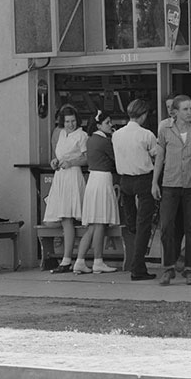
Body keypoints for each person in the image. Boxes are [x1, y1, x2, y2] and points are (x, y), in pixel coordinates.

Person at [152, 95, 191, 286]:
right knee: (167, 227)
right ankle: (169, 267)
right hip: (170, 184)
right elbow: (160, 157)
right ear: (176, 112)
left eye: (190, 109)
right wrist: (154, 182)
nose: (189, 112)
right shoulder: (165, 130)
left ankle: (190, 269)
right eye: (185, 109)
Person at [112, 99, 158, 281]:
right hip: (143, 179)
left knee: (132, 224)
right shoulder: (147, 135)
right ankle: (138, 266)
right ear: (144, 114)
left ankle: (134, 260)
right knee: (144, 224)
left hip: (125, 181)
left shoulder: (117, 135)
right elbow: (157, 157)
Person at [72, 111, 118, 275]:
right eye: (107, 122)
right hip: (102, 180)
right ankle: (98, 261)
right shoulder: (104, 141)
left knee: (92, 225)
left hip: (93, 180)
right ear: (98, 125)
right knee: (99, 223)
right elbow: (116, 158)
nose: (110, 124)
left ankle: (79, 260)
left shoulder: (91, 140)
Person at [44, 105, 87, 273]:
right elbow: (57, 155)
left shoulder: (82, 135)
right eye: (67, 121)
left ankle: (67, 259)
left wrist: (72, 162)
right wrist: (54, 162)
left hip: (72, 176)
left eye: (73, 121)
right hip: (60, 177)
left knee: (67, 218)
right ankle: (65, 256)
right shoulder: (60, 134)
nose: (70, 124)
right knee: (56, 219)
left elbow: (86, 158)